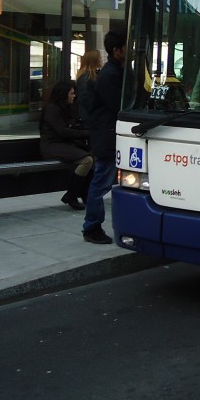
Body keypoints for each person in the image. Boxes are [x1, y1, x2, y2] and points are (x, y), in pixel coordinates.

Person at [82, 29, 125, 245]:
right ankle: (92, 226)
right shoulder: (110, 75)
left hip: (109, 137)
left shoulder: (116, 71)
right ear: (117, 51)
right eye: (129, 47)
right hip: (107, 139)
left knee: (103, 182)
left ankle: (92, 225)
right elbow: (120, 106)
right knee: (100, 183)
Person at [39, 80, 93, 210]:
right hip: (52, 146)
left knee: (93, 158)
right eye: (72, 93)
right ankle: (72, 194)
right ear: (63, 94)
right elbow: (62, 131)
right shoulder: (52, 109)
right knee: (87, 160)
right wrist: (87, 133)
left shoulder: (66, 108)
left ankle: (83, 194)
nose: (74, 96)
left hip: (63, 144)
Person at [74, 48, 102, 127]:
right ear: (94, 60)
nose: (101, 60)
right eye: (99, 58)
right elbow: (85, 98)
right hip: (89, 117)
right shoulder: (86, 77)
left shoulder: (93, 75)